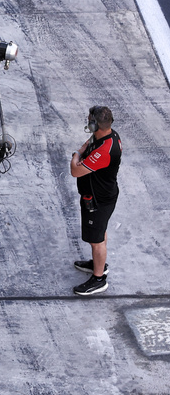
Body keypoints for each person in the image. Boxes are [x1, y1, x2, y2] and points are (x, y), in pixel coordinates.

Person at [70, 105, 122, 296]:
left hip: (98, 201)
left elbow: (75, 170)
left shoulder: (103, 151)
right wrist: (83, 150)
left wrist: (76, 155)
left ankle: (99, 279)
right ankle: (98, 263)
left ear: (94, 125)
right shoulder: (109, 135)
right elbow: (89, 143)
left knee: (96, 241)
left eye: (88, 120)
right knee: (99, 233)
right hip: (102, 196)